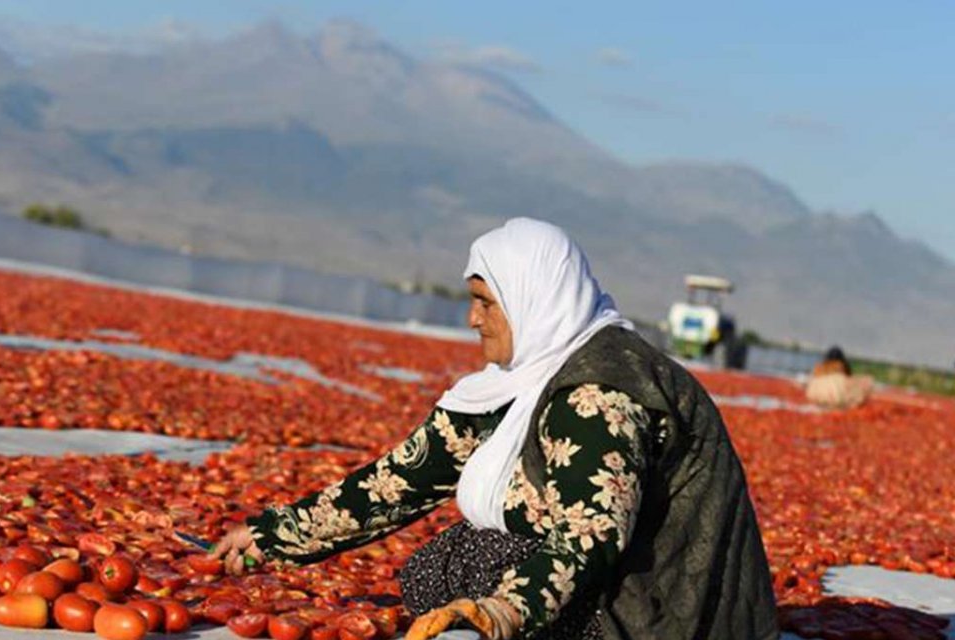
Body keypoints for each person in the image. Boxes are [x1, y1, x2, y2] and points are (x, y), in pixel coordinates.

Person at [211, 218, 778, 640]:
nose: (472, 319)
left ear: (533, 300)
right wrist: (272, 536)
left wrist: (504, 610)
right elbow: (403, 478)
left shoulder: (598, 393)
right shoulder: (531, 375)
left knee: (476, 562)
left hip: (661, 610)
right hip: (621, 584)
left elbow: (591, 537)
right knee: (441, 564)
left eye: (486, 303)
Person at [804, 346, 873, 409]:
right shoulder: (841, 371)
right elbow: (850, 376)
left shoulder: (817, 374)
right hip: (838, 401)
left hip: (818, 401)